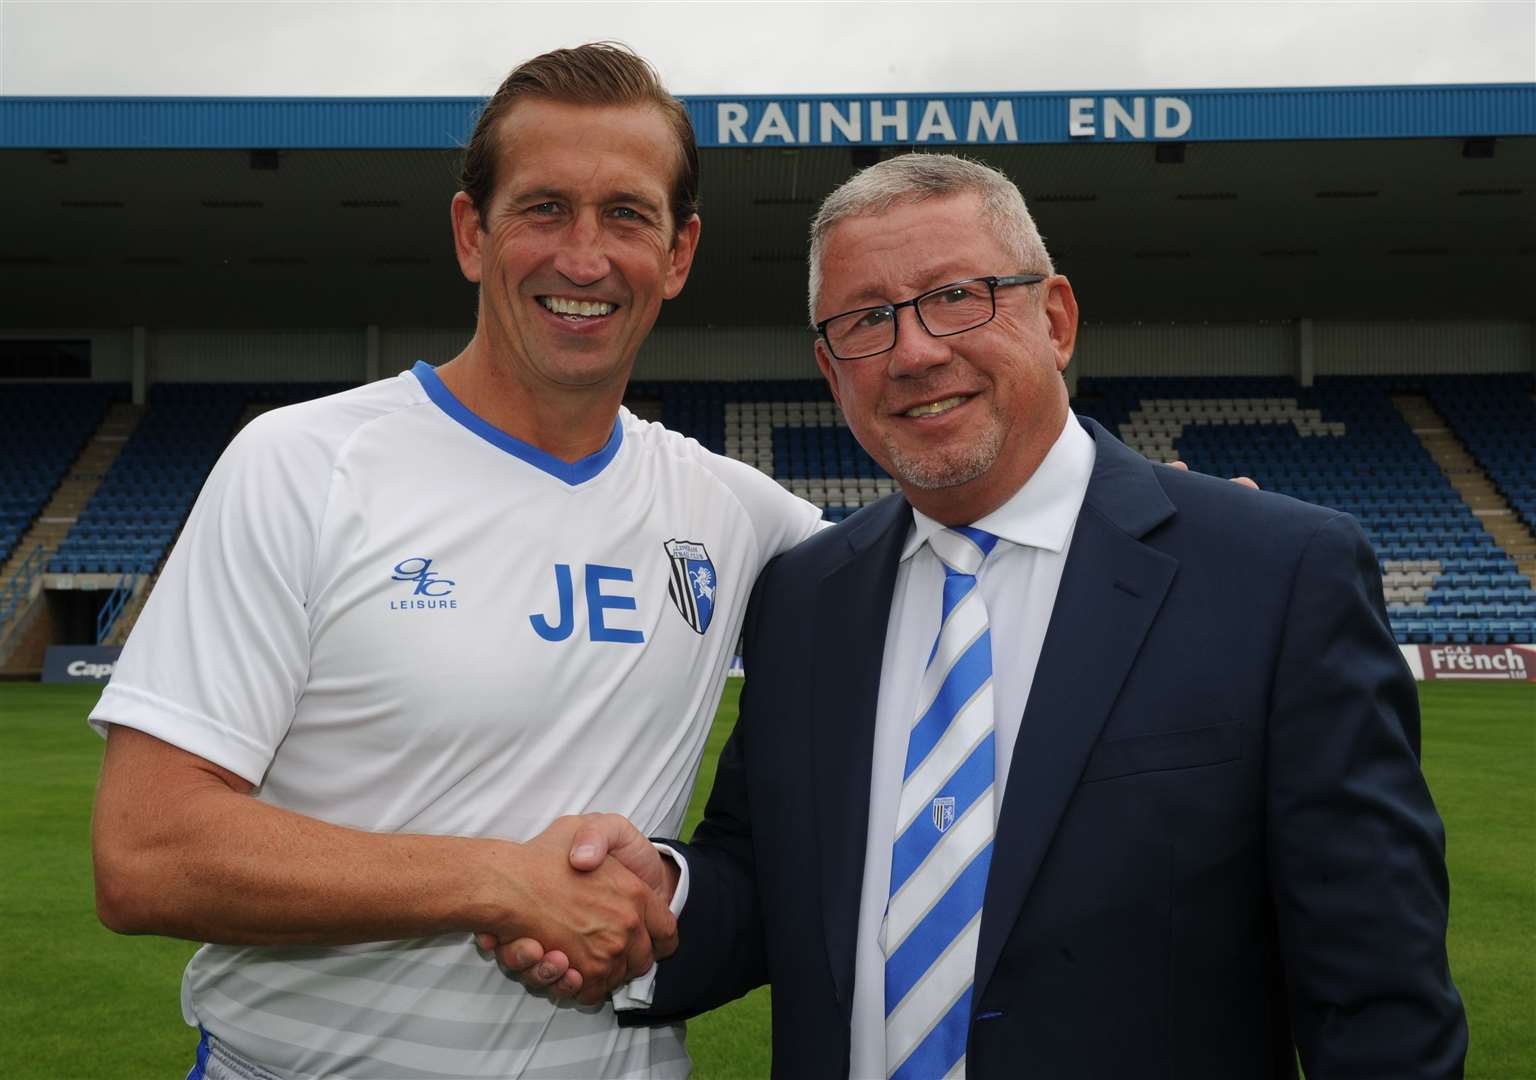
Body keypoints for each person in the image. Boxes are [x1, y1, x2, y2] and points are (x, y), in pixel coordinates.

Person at [532, 153, 1469, 1078]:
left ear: (1054, 317)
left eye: (956, 296)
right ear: (830, 368)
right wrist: (666, 897)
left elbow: (1378, 995)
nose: (913, 351)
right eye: (866, 321)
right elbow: (769, 877)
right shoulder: (805, 597)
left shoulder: (1274, 575)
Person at [87, 44, 826, 1080]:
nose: (583, 256)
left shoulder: (734, 509)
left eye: (626, 214)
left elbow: (961, 565)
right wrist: (495, 879)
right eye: (542, 209)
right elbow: (146, 853)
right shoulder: (304, 464)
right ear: (471, 234)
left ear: (679, 251)